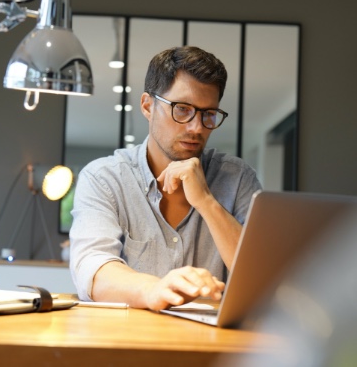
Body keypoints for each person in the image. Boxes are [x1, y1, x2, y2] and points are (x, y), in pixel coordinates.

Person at [69, 46, 261, 311]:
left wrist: (206, 201)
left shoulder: (238, 178)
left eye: (208, 114)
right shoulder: (104, 178)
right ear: (148, 106)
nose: (196, 128)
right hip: (128, 342)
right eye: (182, 109)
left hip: (213, 346)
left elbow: (260, 279)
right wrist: (154, 289)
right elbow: (92, 269)